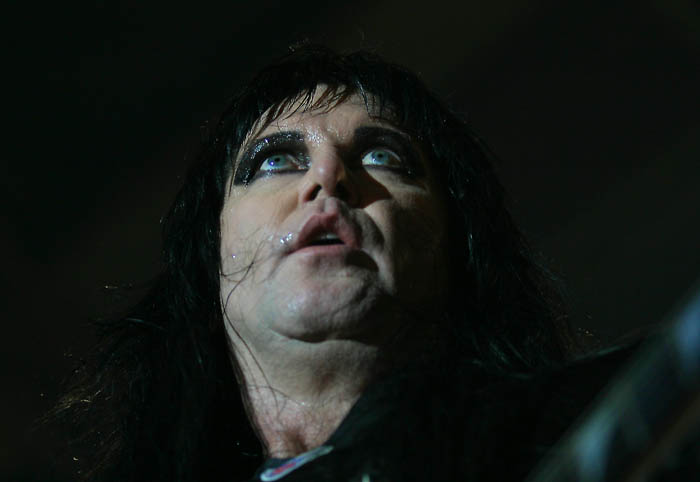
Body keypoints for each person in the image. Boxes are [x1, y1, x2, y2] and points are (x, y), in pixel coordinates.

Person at [47, 45, 631, 482]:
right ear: (208, 261)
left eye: (382, 156)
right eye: (274, 161)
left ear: (458, 249)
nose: (328, 178)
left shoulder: (620, 415)